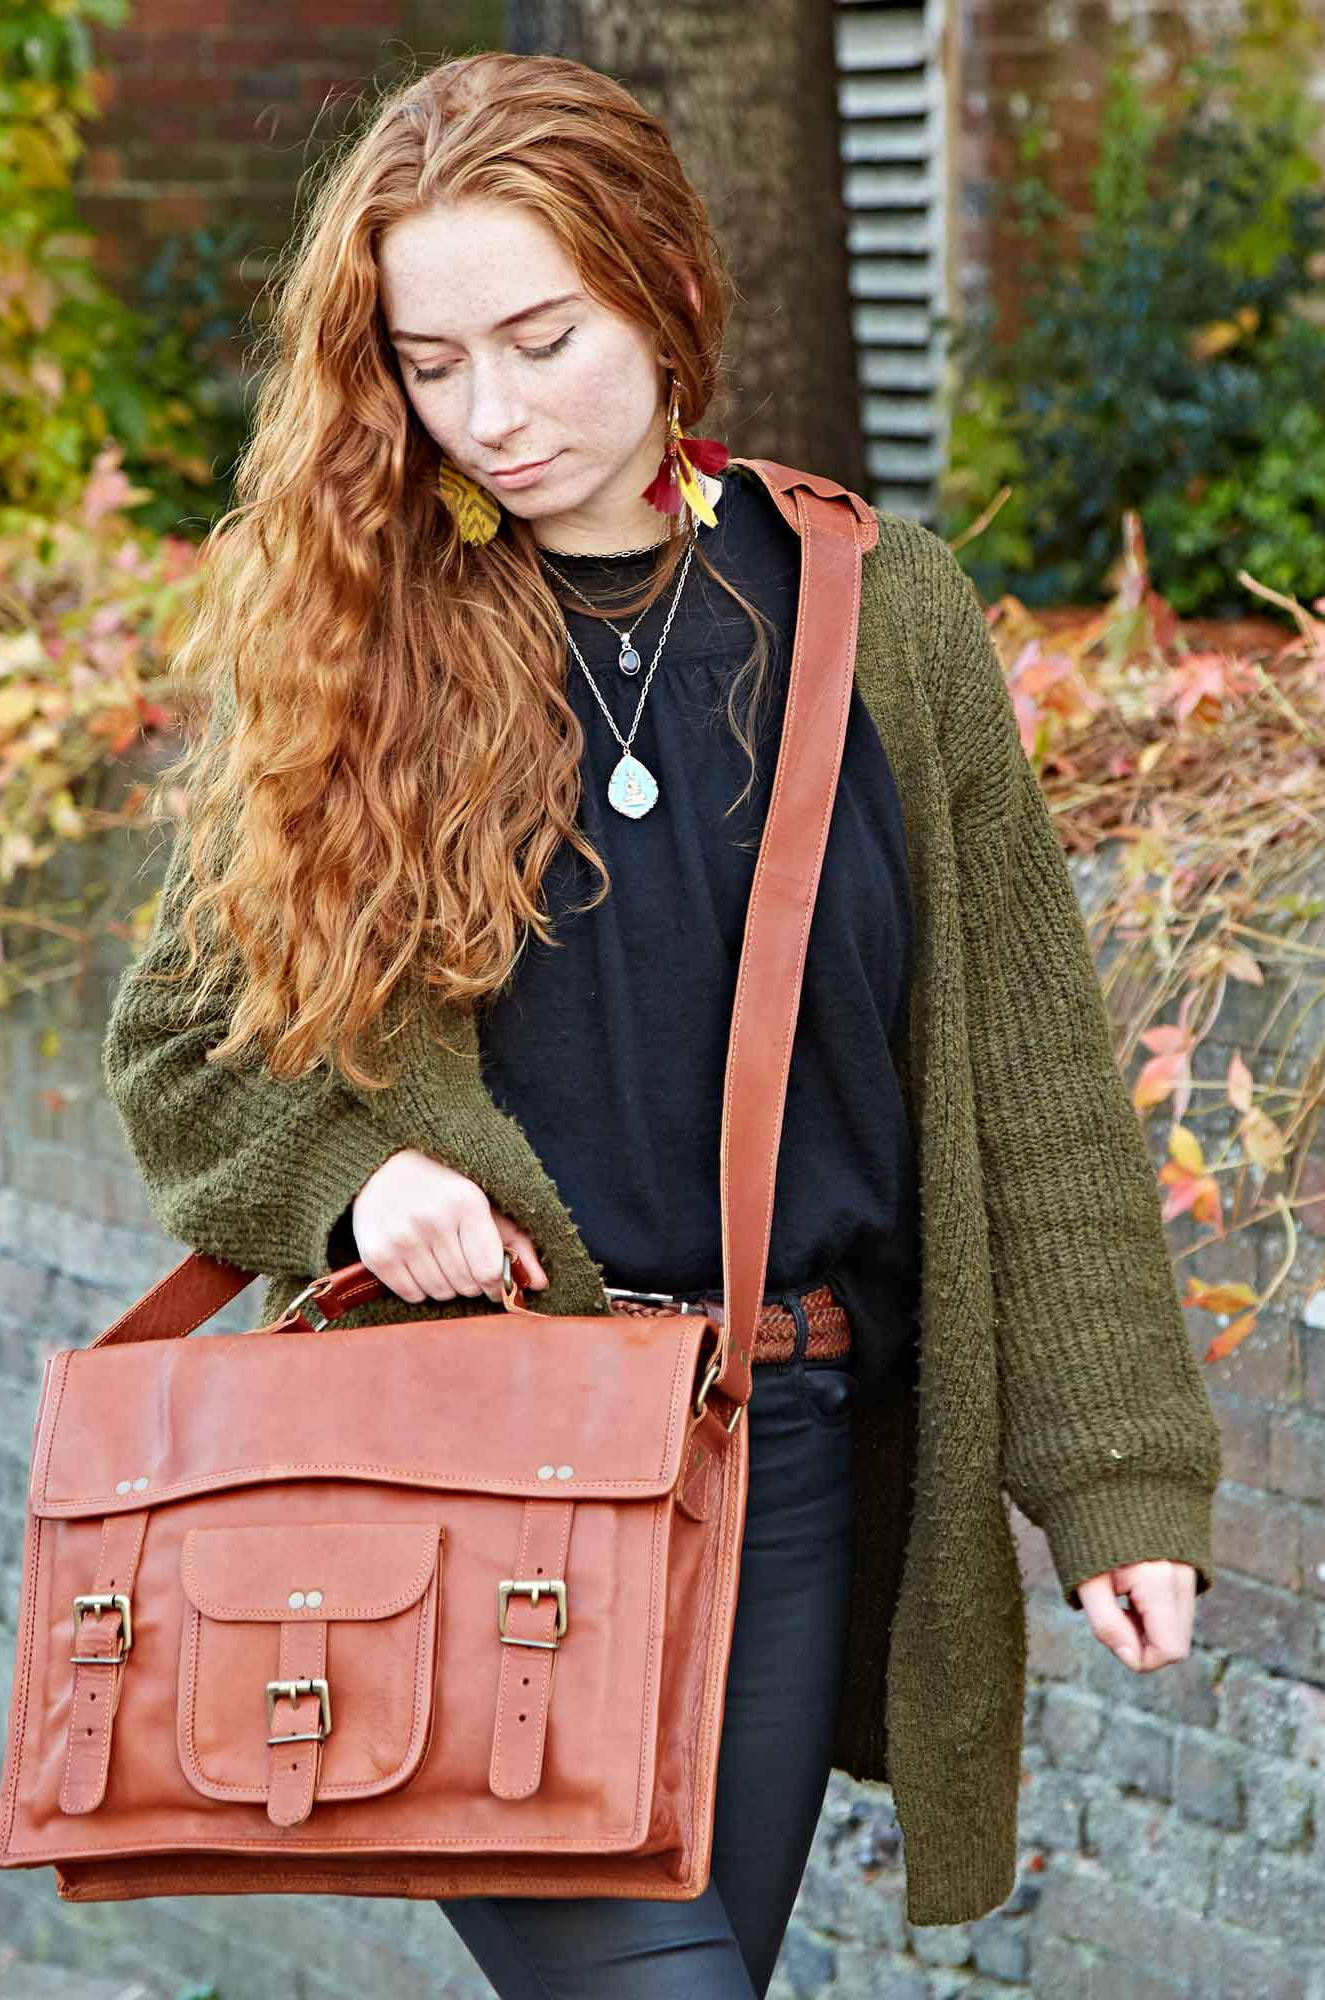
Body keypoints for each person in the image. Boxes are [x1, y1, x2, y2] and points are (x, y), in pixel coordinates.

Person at [100, 48, 1222, 2000]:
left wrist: (1113, 1478)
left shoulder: (880, 616)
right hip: (471, 1446)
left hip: (775, 1451)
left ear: (659, 285)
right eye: (431, 361)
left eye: (539, 337)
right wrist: (361, 1182)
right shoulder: (359, 629)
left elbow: (1031, 1082)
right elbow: (184, 1051)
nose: (488, 412)